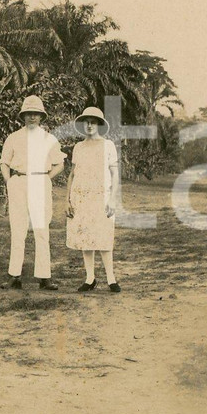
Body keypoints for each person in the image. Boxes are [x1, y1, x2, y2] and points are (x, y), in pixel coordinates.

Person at [0, 95, 65, 291]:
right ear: (23, 116)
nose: (32, 117)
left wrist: (45, 179)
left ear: (41, 116)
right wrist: (9, 182)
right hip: (18, 181)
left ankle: (44, 277)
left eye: (36, 113)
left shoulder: (49, 139)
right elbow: (4, 162)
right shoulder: (13, 137)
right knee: (17, 230)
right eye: (28, 113)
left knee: (41, 230)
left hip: (40, 182)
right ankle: (14, 276)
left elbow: (60, 164)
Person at [65, 106, 122, 292]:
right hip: (81, 197)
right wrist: (67, 200)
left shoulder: (108, 145)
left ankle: (111, 279)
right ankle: (90, 278)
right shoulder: (78, 147)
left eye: (93, 122)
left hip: (101, 197)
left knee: (104, 237)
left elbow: (115, 174)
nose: (89, 125)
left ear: (99, 124)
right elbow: (72, 174)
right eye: (86, 122)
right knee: (85, 237)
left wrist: (112, 199)